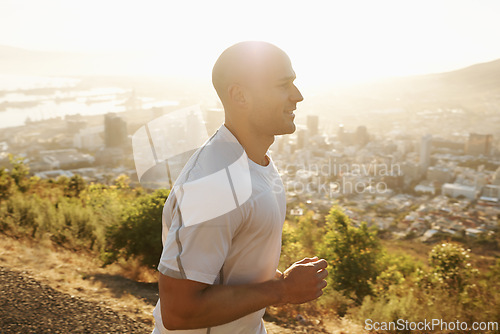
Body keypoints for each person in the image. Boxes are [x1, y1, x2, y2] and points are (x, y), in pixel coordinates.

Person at [151, 41, 328, 334]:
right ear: (240, 95)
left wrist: (285, 280)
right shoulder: (213, 184)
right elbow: (179, 312)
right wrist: (283, 290)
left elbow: (234, 266)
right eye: (284, 85)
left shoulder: (255, 163)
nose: (298, 96)